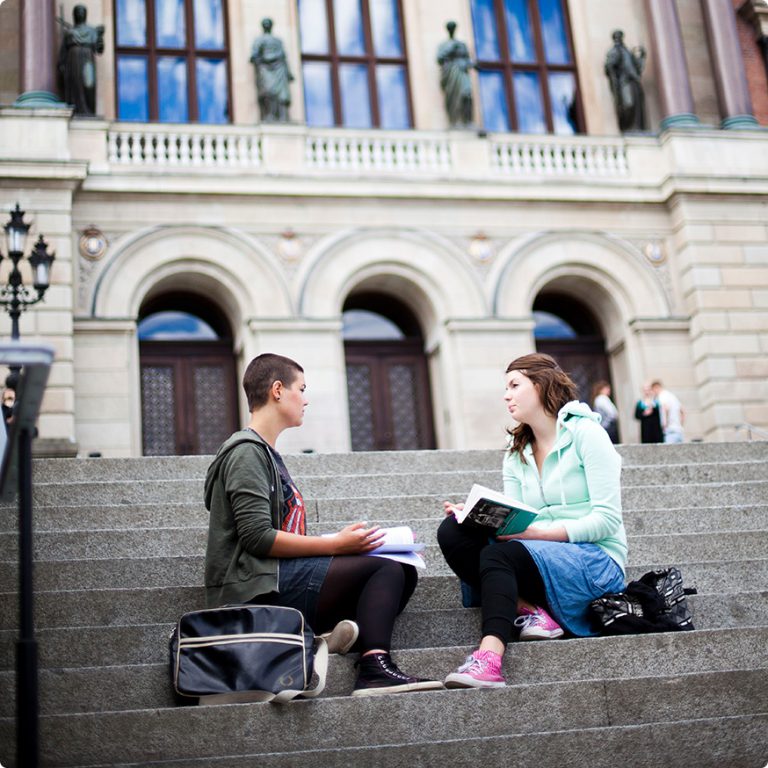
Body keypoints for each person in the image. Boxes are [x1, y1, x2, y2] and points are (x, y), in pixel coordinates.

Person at [204, 353, 441, 697]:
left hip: (277, 577)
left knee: (403, 570)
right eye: (301, 389)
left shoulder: (265, 453)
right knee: (385, 569)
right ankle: (374, 668)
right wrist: (335, 545)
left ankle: (323, 636)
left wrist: (341, 546)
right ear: (277, 390)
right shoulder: (246, 452)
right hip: (254, 588)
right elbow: (257, 538)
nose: (306, 399)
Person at [437, 353, 627, 688]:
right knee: (454, 531)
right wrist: (478, 516)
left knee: (499, 554)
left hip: (596, 561)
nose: (506, 395)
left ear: (540, 385)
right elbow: (519, 517)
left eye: (514, 385)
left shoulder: (587, 434)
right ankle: (529, 611)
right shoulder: (517, 449)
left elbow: (607, 520)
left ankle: (489, 659)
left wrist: (539, 533)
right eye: (506, 388)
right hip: (540, 554)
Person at [57, 4, 105, 115]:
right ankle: (77, 110)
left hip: (87, 60)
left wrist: (100, 37)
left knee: (88, 85)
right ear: (74, 15)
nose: (80, 13)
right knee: (75, 84)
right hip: (73, 61)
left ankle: (88, 111)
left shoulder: (92, 31)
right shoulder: (69, 32)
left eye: (82, 11)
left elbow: (99, 49)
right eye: (77, 11)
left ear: (85, 14)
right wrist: (61, 64)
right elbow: (63, 51)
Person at [250, 18, 293, 123]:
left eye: (268, 23)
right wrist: (259, 60)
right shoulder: (259, 40)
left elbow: (283, 56)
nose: (267, 25)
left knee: (282, 93)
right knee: (268, 91)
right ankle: (269, 115)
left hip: (279, 67)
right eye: (265, 23)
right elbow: (254, 55)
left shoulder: (278, 41)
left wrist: (288, 72)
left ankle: (283, 117)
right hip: (265, 67)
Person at [604, 29, 646, 132]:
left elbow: (636, 67)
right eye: (616, 37)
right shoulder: (614, 51)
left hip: (632, 81)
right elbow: (609, 66)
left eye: (619, 37)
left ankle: (635, 127)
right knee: (628, 105)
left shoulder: (627, 52)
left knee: (636, 106)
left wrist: (642, 57)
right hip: (624, 82)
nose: (618, 39)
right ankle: (628, 127)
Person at [437, 21, 473, 127]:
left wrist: (472, 64)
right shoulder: (444, 45)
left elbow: (467, 58)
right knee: (454, 97)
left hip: (462, 71)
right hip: (452, 72)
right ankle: (455, 121)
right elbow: (439, 58)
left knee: (467, 93)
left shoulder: (462, 44)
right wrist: (451, 49)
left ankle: (467, 121)